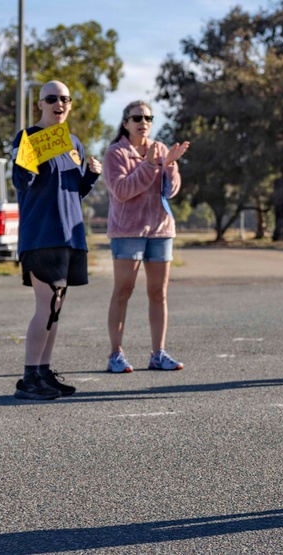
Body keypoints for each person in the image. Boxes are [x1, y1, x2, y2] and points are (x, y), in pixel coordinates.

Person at [10, 80, 102, 399]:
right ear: (40, 104)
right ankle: (28, 379)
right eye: (52, 98)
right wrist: (27, 160)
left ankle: (44, 373)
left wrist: (91, 175)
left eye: (65, 99)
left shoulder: (73, 142)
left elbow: (74, 192)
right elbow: (22, 182)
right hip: (42, 234)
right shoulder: (27, 138)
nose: (58, 103)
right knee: (46, 304)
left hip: (70, 234)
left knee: (55, 308)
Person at [103, 101, 190, 373]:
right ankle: (116, 354)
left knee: (158, 293)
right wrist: (150, 165)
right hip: (127, 230)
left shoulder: (161, 149)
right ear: (126, 123)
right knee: (123, 291)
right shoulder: (115, 153)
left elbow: (171, 190)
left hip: (160, 230)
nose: (144, 122)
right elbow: (122, 190)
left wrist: (170, 166)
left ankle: (158, 353)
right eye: (137, 117)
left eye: (149, 117)